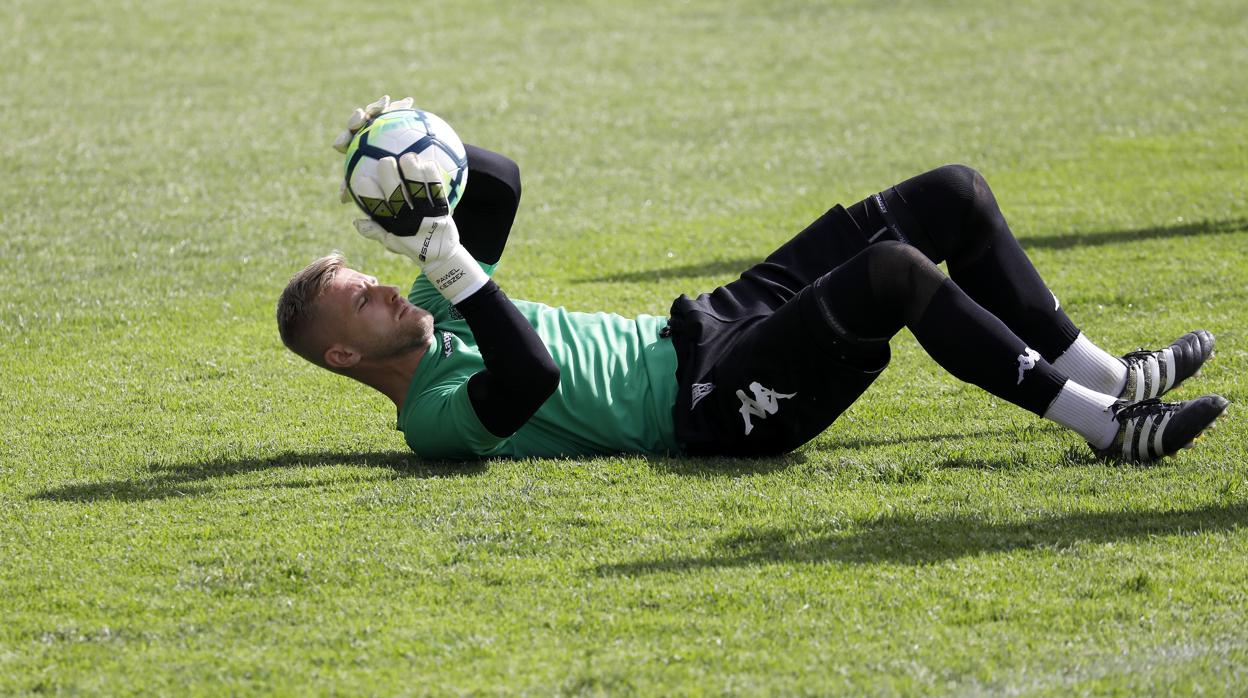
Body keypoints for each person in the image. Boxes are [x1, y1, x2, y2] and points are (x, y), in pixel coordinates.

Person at [276, 96, 1227, 463]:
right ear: (345, 351)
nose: (387, 288)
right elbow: (530, 380)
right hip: (711, 403)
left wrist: (414, 142)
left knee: (950, 195)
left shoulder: (440, 310)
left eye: (374, 276)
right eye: (362, 295)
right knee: (891, 273)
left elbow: (504, 187)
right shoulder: (430, 415)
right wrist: (453, 269)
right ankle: (1108, 430)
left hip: (708, 326)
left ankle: (1110, 376)